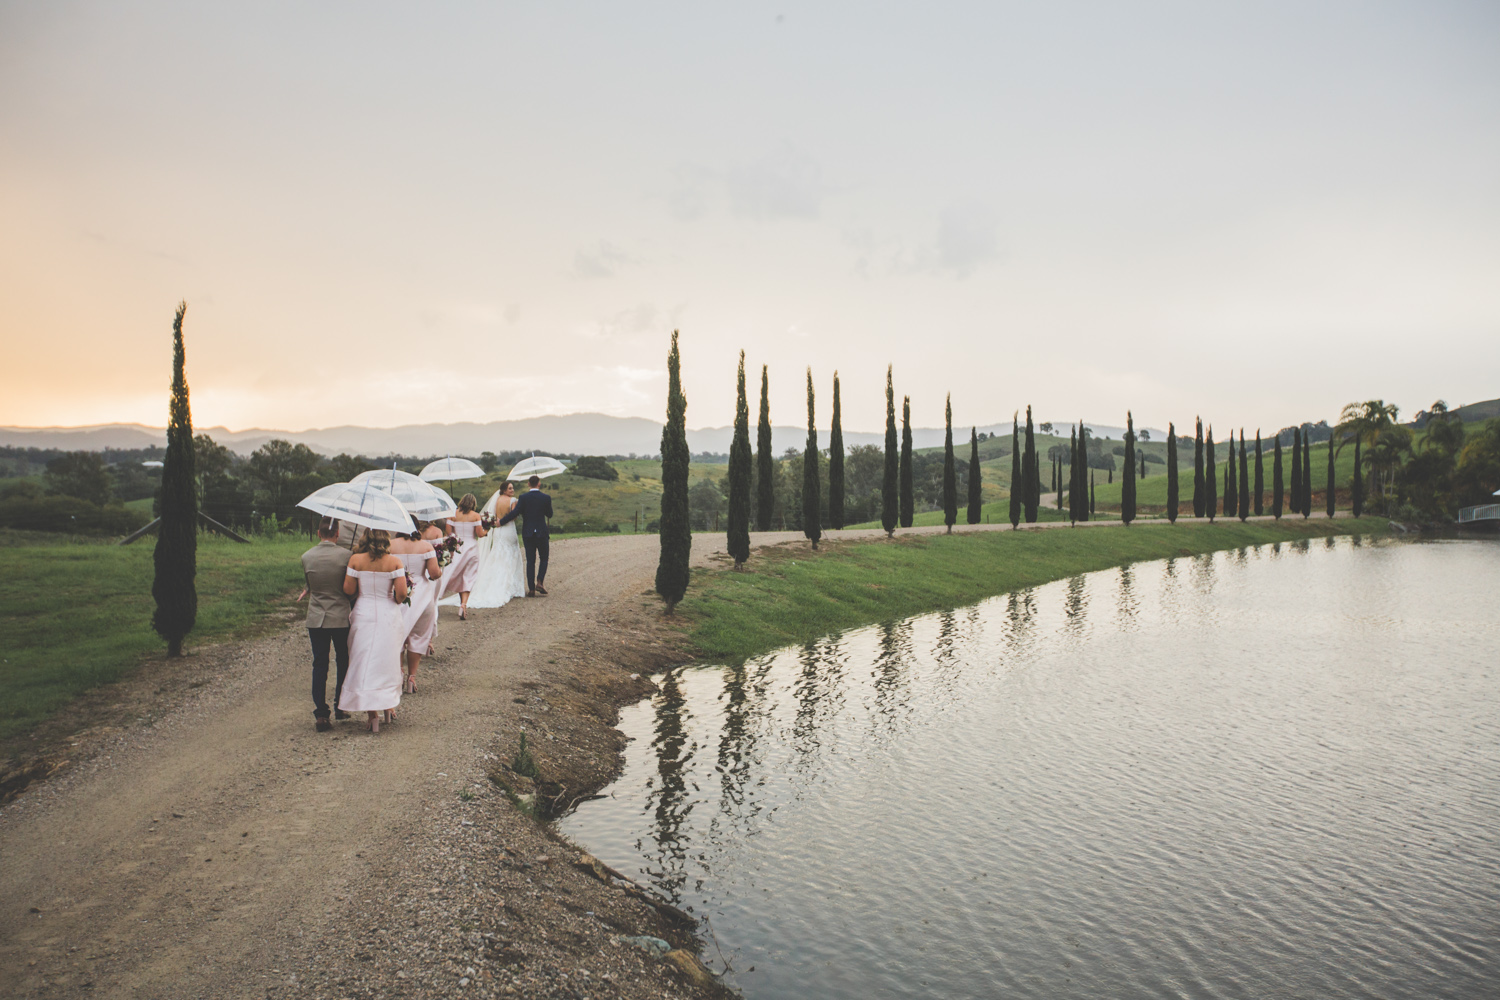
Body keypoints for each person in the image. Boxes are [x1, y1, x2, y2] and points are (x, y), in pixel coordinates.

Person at [339, 528, 409, 734]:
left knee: (364, 660)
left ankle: (372, 715)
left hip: (364, 613)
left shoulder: (355, 561)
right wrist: (394, 598)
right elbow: (402, 594)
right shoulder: (395, 562)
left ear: (366, 539)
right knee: (387, 659)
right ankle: (388, 705)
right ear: (386, 540)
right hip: (388, 613)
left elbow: (349, 590)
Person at [300, 516, 353, 731]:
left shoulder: (307, 557)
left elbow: (310, 585)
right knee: (343, 660)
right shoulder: (347, 556)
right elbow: (350, 588)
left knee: (319, 663)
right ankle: (340, 705)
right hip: (340, 616)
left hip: (316, 617)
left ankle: (321, 713)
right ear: (337, 534)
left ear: (319, 534)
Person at [442, 481, 526, 609]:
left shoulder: (496, 500)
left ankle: (461, 600)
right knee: (509, 556)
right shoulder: (511, 501)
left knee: (493, 556)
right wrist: (487, 529)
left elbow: (449, 532)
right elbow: (482, 532)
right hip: (490, 538)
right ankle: (508, 587)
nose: (512, 490)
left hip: (469, 543)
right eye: (510, 488)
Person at [391, 529, 442, 694]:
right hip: (421, 596)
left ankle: (398, 672)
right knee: (418, 636)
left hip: (397, 593)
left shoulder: (390, 546)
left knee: (397, 633)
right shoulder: (426, 547)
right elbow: (434, 574)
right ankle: (412, 677)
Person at [498, 474, 553, 596]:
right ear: (539, 484)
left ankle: (532, 589)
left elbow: (515, 513)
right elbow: (550, 514)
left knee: (530, 561)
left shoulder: (523, 498)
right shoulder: (546, 498)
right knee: (544, 558)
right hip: (541, 532)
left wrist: (501, 522)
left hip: (528, 533)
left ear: (528, 484)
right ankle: (540, 581)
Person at [442, 493, 487, 619]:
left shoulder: (453, 514)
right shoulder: (475, 516)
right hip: (471, 548)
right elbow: (480, 534)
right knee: (468, 576)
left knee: (459, 575)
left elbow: (448, 532)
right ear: (473, 504)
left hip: (458, 547)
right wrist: (487, 530)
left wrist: (455, 537)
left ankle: (459, 603)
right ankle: (463, 604)